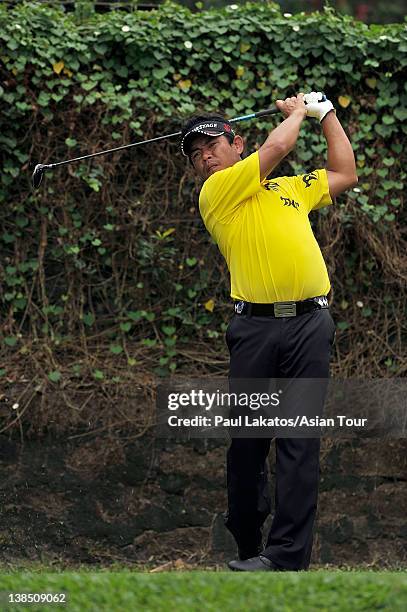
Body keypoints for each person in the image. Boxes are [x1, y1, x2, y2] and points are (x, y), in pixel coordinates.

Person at [180, 93, 357, 571]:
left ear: (237, 142)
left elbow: (344, 173)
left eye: (211, 145)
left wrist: (327, 115)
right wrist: (299, 110)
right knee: (249, 445)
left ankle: (286, 558)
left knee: (300, 443)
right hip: (254, 330)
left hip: (309, 326)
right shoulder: (215, 193)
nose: (205, 158)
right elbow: (276, 148)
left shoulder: (287, 190)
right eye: (195, 155)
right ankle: (247, 541)